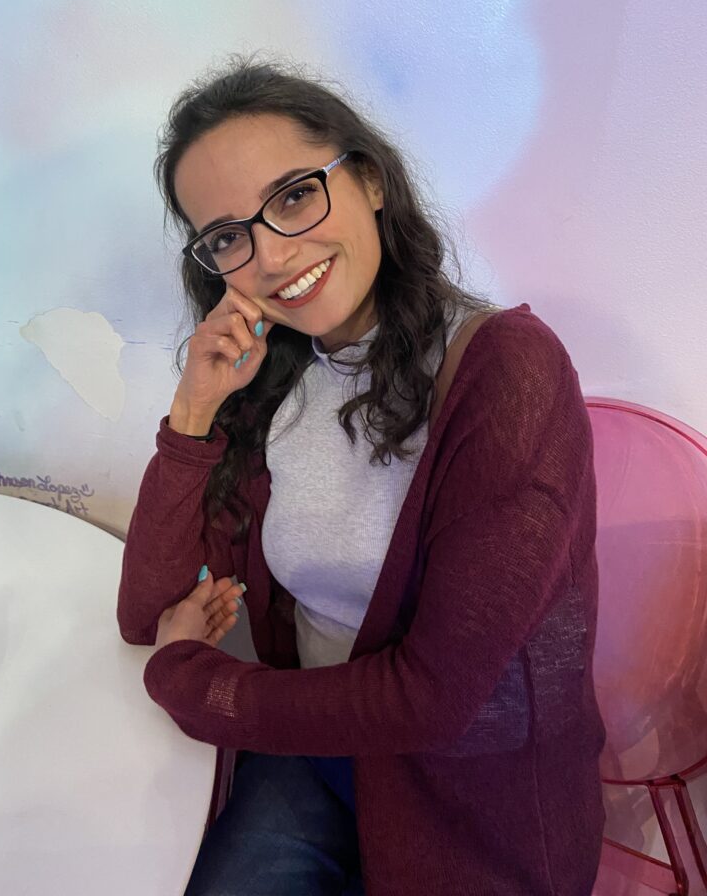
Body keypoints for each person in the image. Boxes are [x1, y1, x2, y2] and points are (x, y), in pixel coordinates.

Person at [116, 55, 607, 896]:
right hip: (312, 754)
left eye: (295, 194)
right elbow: (144, 612)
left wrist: (196, 684)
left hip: (464, 796)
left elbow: (433, 699)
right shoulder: (273, 377)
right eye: (230, 236)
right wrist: (194, 408)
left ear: (370, 181)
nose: (271, 256)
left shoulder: (508, 374)